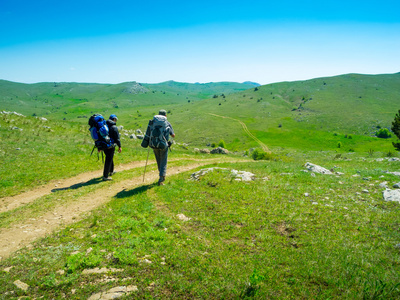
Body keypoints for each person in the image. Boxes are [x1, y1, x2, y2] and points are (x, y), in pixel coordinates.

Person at [145, 109, 175, 185]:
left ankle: (160, 174)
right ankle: (161, 178)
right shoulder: (167, 123)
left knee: (158, 160)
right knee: (163, 161)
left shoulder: (153, 122)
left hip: (154, 144)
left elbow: (148, 132)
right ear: (165, 115)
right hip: (163, 145)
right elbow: (173, 135)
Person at [102, 114, 122, 181]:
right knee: (108, 159)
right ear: (114, 119)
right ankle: (105, 176)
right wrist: (120, 146)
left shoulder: (105, 126)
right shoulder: (114, 127)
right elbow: (117, 138)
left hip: (104, 145)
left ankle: (111, 171)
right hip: (110, 146)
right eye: (116, 119)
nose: (116, 121)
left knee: (110, 158)